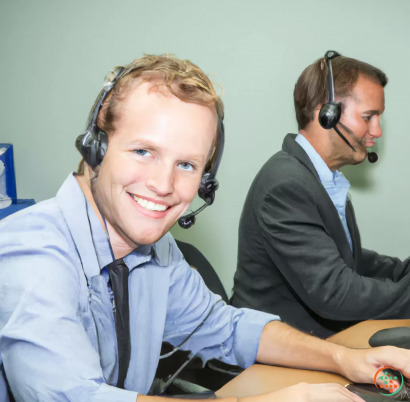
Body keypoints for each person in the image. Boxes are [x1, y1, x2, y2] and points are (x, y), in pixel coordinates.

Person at [1, 54, 409, 402]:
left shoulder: (155, 250)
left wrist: (344, 359)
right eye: (143, 151)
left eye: (187, 165)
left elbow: (225, 327)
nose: (164, 185)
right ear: (96, 147)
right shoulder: (32, 255)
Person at [231, 50, 410, 339]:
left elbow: (344, 258)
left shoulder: (320, 178)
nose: (376, 131)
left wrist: (402, 272)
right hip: (272, 358)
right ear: (326, 114)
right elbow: (335, 293)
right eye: (369, 117)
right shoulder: (286, 186)